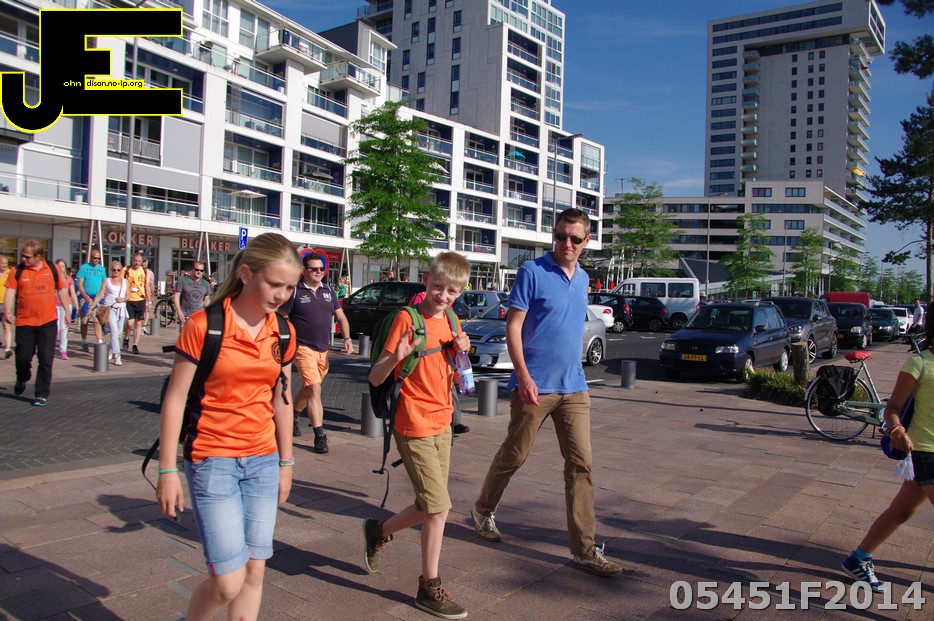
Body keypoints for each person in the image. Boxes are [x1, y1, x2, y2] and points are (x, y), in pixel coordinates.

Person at [156, 232, 300, 621]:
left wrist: (287, 462)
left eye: (289, 287)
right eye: (274, 284)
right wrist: (167, 471)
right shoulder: (205, 326)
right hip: (212, 459)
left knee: (255, 571)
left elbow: (282, 399)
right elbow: (175, 399)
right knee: (227, 582)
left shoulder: (283, 331)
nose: (281, 295)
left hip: (263, 460)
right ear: (247, 274)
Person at [471, 208, 622, 577]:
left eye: (574, 238)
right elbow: (514, 327)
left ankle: (584, 550)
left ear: (587, 241)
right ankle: (483, 509)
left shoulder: (583, 278)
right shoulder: (532, 272)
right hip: (534, 386)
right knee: (515, 455)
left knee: (581, 465)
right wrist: (523, 376)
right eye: (560, 236)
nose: (566, 244)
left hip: (574, 387)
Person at [363, 251, 471, 619]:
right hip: (412, 423)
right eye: (438, 287)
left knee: (430, 505)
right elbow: (375, 377)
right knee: (439, 507)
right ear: (426, 280)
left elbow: (451, 371)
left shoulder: (452, 318)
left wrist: (462, 352)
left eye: (452, 291)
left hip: (443, 422)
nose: (443, 296)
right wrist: (397, 355)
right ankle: (428, 586)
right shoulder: (406, 320)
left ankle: (379, 531)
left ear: (460, 292)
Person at [842, 301, 934, 591]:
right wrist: (897, 429)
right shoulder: (920, 363)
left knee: (902, 511)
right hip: (925, 450)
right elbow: (892, 408)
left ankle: (858, 559)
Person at [278, 253, 353, 451]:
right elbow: (280, 316)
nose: (319, 272)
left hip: (323, 350)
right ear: (304, 271)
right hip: (302, 348)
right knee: (315, 388)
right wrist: (286, 338)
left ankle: (295, 414)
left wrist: (347, 338)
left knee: (310, 387)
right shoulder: (295, 291)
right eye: (314, 269)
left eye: (321, 269)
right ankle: (320, 436)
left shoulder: (329, 291)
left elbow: (341, 317)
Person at [3, 241, 70, 406]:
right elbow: (10, 291)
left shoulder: (52, 268)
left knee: (46, 359)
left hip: (48, 321)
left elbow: (61, 290)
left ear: (38, 256)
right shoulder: (17, 271)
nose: (23, 259)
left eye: (27, 257)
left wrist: (68, 311)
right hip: (25, 322)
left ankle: (41, 394)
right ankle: (22, 378)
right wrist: (7, 311)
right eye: (22, 256)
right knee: (23, 357)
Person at [76, 250, 106, 353]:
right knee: (85, 321)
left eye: (98, 258)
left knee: (97, 321)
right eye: (95, 258)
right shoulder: (84, 268)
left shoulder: (101, 269)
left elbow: (104, 283)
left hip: (97, 298)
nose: (97, 260)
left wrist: (101, 295)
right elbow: (80, 284)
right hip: (86, 297)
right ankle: (84, 342)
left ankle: (99, 341)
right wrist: (85, 295)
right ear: (90, 258)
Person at [100, 260, 128, 366]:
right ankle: (117, 355)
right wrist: (92, 306)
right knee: (114, 331)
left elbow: (128, 296)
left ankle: (112, 349)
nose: (116, 272)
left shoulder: (125, 282)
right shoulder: (107, 281)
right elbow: (100, 294)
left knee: (119, 333)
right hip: (110, 308)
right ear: (111, 270)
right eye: (114, 270)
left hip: (121, 309)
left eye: (118, 270)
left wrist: (123, 299)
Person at [173, 261, 212, 330]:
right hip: (185, 315)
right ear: (192, 269)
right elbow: (176, 295)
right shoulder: (183, 280)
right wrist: (178, 311)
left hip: (199, 316)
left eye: (201, 270)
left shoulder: (205, 283)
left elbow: (207, 298)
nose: (199, 272)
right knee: (186, 336)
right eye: (197, 270)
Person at [53, 259, 79, 360]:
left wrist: (76, 306)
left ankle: (63, 351)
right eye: (59, 266)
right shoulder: (52, 278)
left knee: (64, 328)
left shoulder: (68, 279)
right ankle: (50, 348)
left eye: (63, 266)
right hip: (54, 305)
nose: (61, 268)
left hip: (65, 306)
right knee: (55, 328)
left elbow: (72, 293)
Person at [123, 253, 148, 354]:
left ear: (141, 262)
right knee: (130, 323)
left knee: (138, 323)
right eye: (135, 261)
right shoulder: (126, 270)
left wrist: (149, 301)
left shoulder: (144, 271)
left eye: (139, 261)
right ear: (132, 260)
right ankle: (126, 337)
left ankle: (135, 345)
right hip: (129, 299)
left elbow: (147, 286)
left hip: (141, 299)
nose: (137, 263)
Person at [0, 253, 12, 359]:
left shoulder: (10, 273)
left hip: (6, 304)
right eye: (2, 263)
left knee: (6, 325)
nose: (4, 265)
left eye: (6, 263)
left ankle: (8, 349)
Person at [140, 258, 155, 335]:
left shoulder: (150, 273)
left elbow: (151, 284)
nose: (144, 267)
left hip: (147, 294)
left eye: (145, 266)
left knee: (147, 310)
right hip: (139, 294)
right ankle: (140, 326)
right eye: (142, 266)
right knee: (141, 311)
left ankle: (143, 326)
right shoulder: (138, 272)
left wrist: (152, 295)